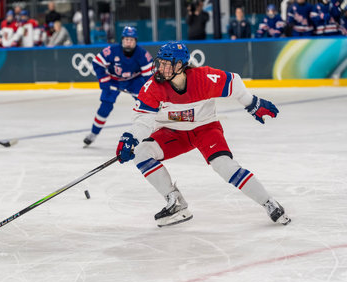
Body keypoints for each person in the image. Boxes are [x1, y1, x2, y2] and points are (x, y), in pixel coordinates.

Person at [115, 41, 291, 228]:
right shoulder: (153, 88)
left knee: (224, 165)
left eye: (167, 63)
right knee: (142, 152)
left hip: (205, 129)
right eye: (161, 62)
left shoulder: (204, 78)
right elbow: (143, 121)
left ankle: (268, 202)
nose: (161, 67)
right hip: (174, 132)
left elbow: (234, 82)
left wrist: (251, 102)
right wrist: (130, 138)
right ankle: (176, 202)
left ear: (180, 65)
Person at [83, 26, 153, 147]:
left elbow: (149, 77)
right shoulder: (112, 51)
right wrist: (105, 81)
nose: (128, 42)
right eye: (126, 39)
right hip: (113, 81)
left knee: (146, 105)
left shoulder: (143, 54)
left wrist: (149, 93)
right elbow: (97, 63)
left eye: (131, 40)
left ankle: (151, 133)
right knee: (105, 107)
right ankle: (93, 134)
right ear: (122, 40)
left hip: (134, 80)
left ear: (136, 41)